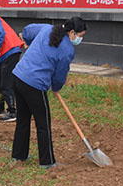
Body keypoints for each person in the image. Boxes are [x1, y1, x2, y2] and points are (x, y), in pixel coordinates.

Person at [11, 17, 86, 168]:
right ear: (72, 32)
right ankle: (47, 162)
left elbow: (27, 30)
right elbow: (60, 74)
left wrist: (28, 42)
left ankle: (19, 155)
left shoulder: (47, 29)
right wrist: (56, 87)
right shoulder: (67, 50)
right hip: (34, 84)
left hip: (18, 76)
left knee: (23, 119)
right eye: (80, 35)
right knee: (43, 124)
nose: (80, 39)